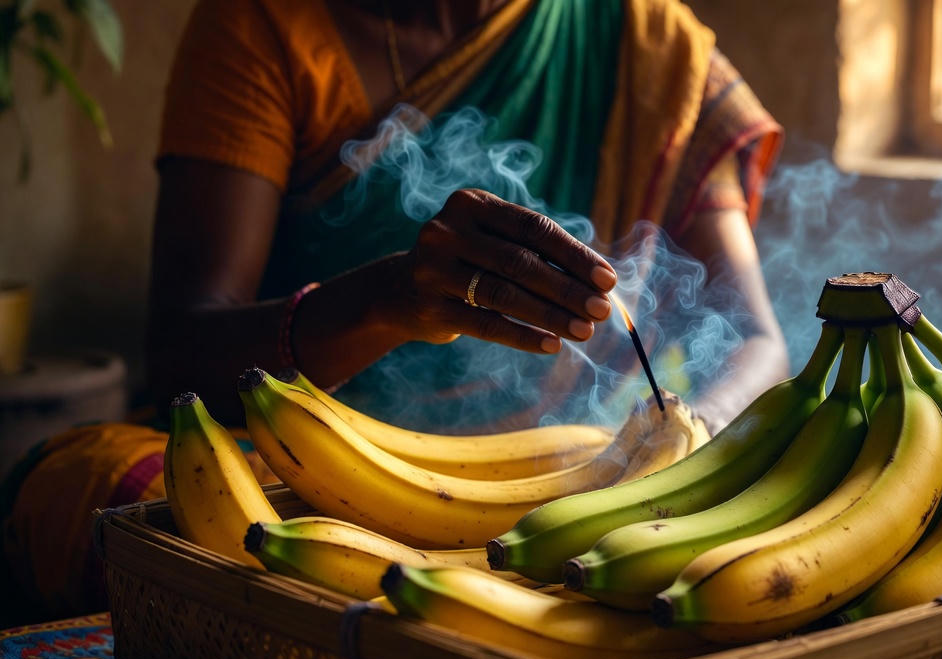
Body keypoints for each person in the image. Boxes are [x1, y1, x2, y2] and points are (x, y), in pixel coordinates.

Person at [2, 0, 787, 619]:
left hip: (568, 484)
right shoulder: (270, 24)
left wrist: (684, 445)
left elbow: (757, 342)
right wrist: (386, 300)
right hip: (291, 471)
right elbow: (182, 351)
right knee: (111, 488)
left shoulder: (645, 43)